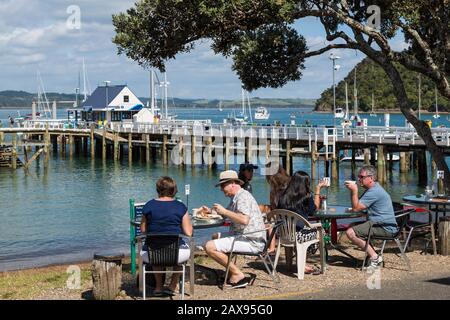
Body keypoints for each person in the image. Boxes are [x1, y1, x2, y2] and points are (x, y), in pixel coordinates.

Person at [204, 170, 266, 288]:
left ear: (232, 183)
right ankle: (230, 270)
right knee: (214, 236)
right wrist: (209, 211)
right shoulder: (236, 197)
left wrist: (225, 211)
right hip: (244, 235)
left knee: (209, 246)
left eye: (223, 185)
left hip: (251, 240)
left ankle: (237, 274)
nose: (221, 189)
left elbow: (243, 220)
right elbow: (224, 214)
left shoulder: (243, 197)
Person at [140, 176, 193, 296]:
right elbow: (188, 233)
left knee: (155, 249)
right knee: (183, 250)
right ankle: (173, 285)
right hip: (175, 254)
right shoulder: (180, 207)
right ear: (173, 190)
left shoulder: (149, 205)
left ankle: (158, 287)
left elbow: (143, 230)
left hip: (152, 254)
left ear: (158, 190)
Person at [344, 165, 397, 269]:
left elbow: (356, 208)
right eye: (358, 176)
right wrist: (357, 206)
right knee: (353, 225)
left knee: (350, 232)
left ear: (371, 178)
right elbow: (360, 206)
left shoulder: (374, 191)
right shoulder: (372, 189)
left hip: (385, 227)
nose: (359, 179)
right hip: (381, 223)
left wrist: (354, 191)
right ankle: (372, 255)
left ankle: (375, 258)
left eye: (362, 177)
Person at [276, 170, 324, 274]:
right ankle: (302, 264)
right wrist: (318, 189)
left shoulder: (282, 196)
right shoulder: (305, 198)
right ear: (306, 184)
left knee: (300, 229)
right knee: (320, 231)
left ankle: (290, 264)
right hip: (299, 235)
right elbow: (314, 210)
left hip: (284, 234)